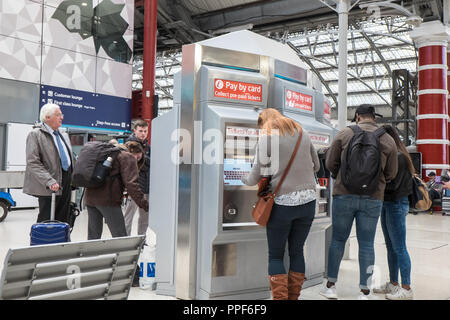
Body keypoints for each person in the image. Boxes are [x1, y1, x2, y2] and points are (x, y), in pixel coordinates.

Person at [241, 108, 320, 300]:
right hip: (308, 202)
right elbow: (316, 166)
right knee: (297, 251)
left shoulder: (266, 137)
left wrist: (241, 177)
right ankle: (293, 297)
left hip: (283, 204)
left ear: (264, 123)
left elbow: (254, 177)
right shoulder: (302, 132)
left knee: (276, 255)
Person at [322, 104, 398, 300]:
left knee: (338, 239)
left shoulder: (344, 134)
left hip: (343, 195)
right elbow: (392, 173)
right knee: (366, 244)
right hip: (373, 198)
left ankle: (330, 286)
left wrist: (341, 176)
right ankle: (365, 291)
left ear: (357, 117)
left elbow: (330, 163)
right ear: (374, 117)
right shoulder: (387, 139)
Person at [372, 125, 414, 300]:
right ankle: (393, 283)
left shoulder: (397, 157)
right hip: (389, 203)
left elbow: (394, 185)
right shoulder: (397, 154)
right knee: (391, 247)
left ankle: (406, 287)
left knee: (399, 247)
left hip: (395, 203)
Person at [85, 141, 149, 240]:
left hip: (90, 198)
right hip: (108, 200)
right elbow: (132, 184)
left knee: (93, 236)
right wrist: (144, 204)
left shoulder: (110, 153)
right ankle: (123, 256)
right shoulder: (127, 157)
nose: (137, 160)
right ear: (134, 152)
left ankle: (90, 255)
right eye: (138, 157)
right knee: (120, 237)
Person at [24, 103, 73, 223]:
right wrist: (49, 180)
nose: (62, 117)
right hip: (49, 183)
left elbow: (68, 158)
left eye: (61, 114)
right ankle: (42, 242)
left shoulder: (63, 135)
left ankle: (62, 240)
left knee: (63, 218)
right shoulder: (35, 134)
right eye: (58, 115)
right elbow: (33, 162)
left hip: (66, 180)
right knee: (46, 219)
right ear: (47, 117)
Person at [123, 120, 151, 236]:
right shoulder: (131, 145)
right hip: (134, 186)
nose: (143, 133)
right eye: (140, 131)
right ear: (135, 131)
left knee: (145, 217)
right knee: (129, 216)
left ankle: (141, 241)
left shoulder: (147, 145)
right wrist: (147, 161)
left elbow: (147, 163)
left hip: (146, 186)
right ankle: (125, 242)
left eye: (145, 131)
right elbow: (139, 164)